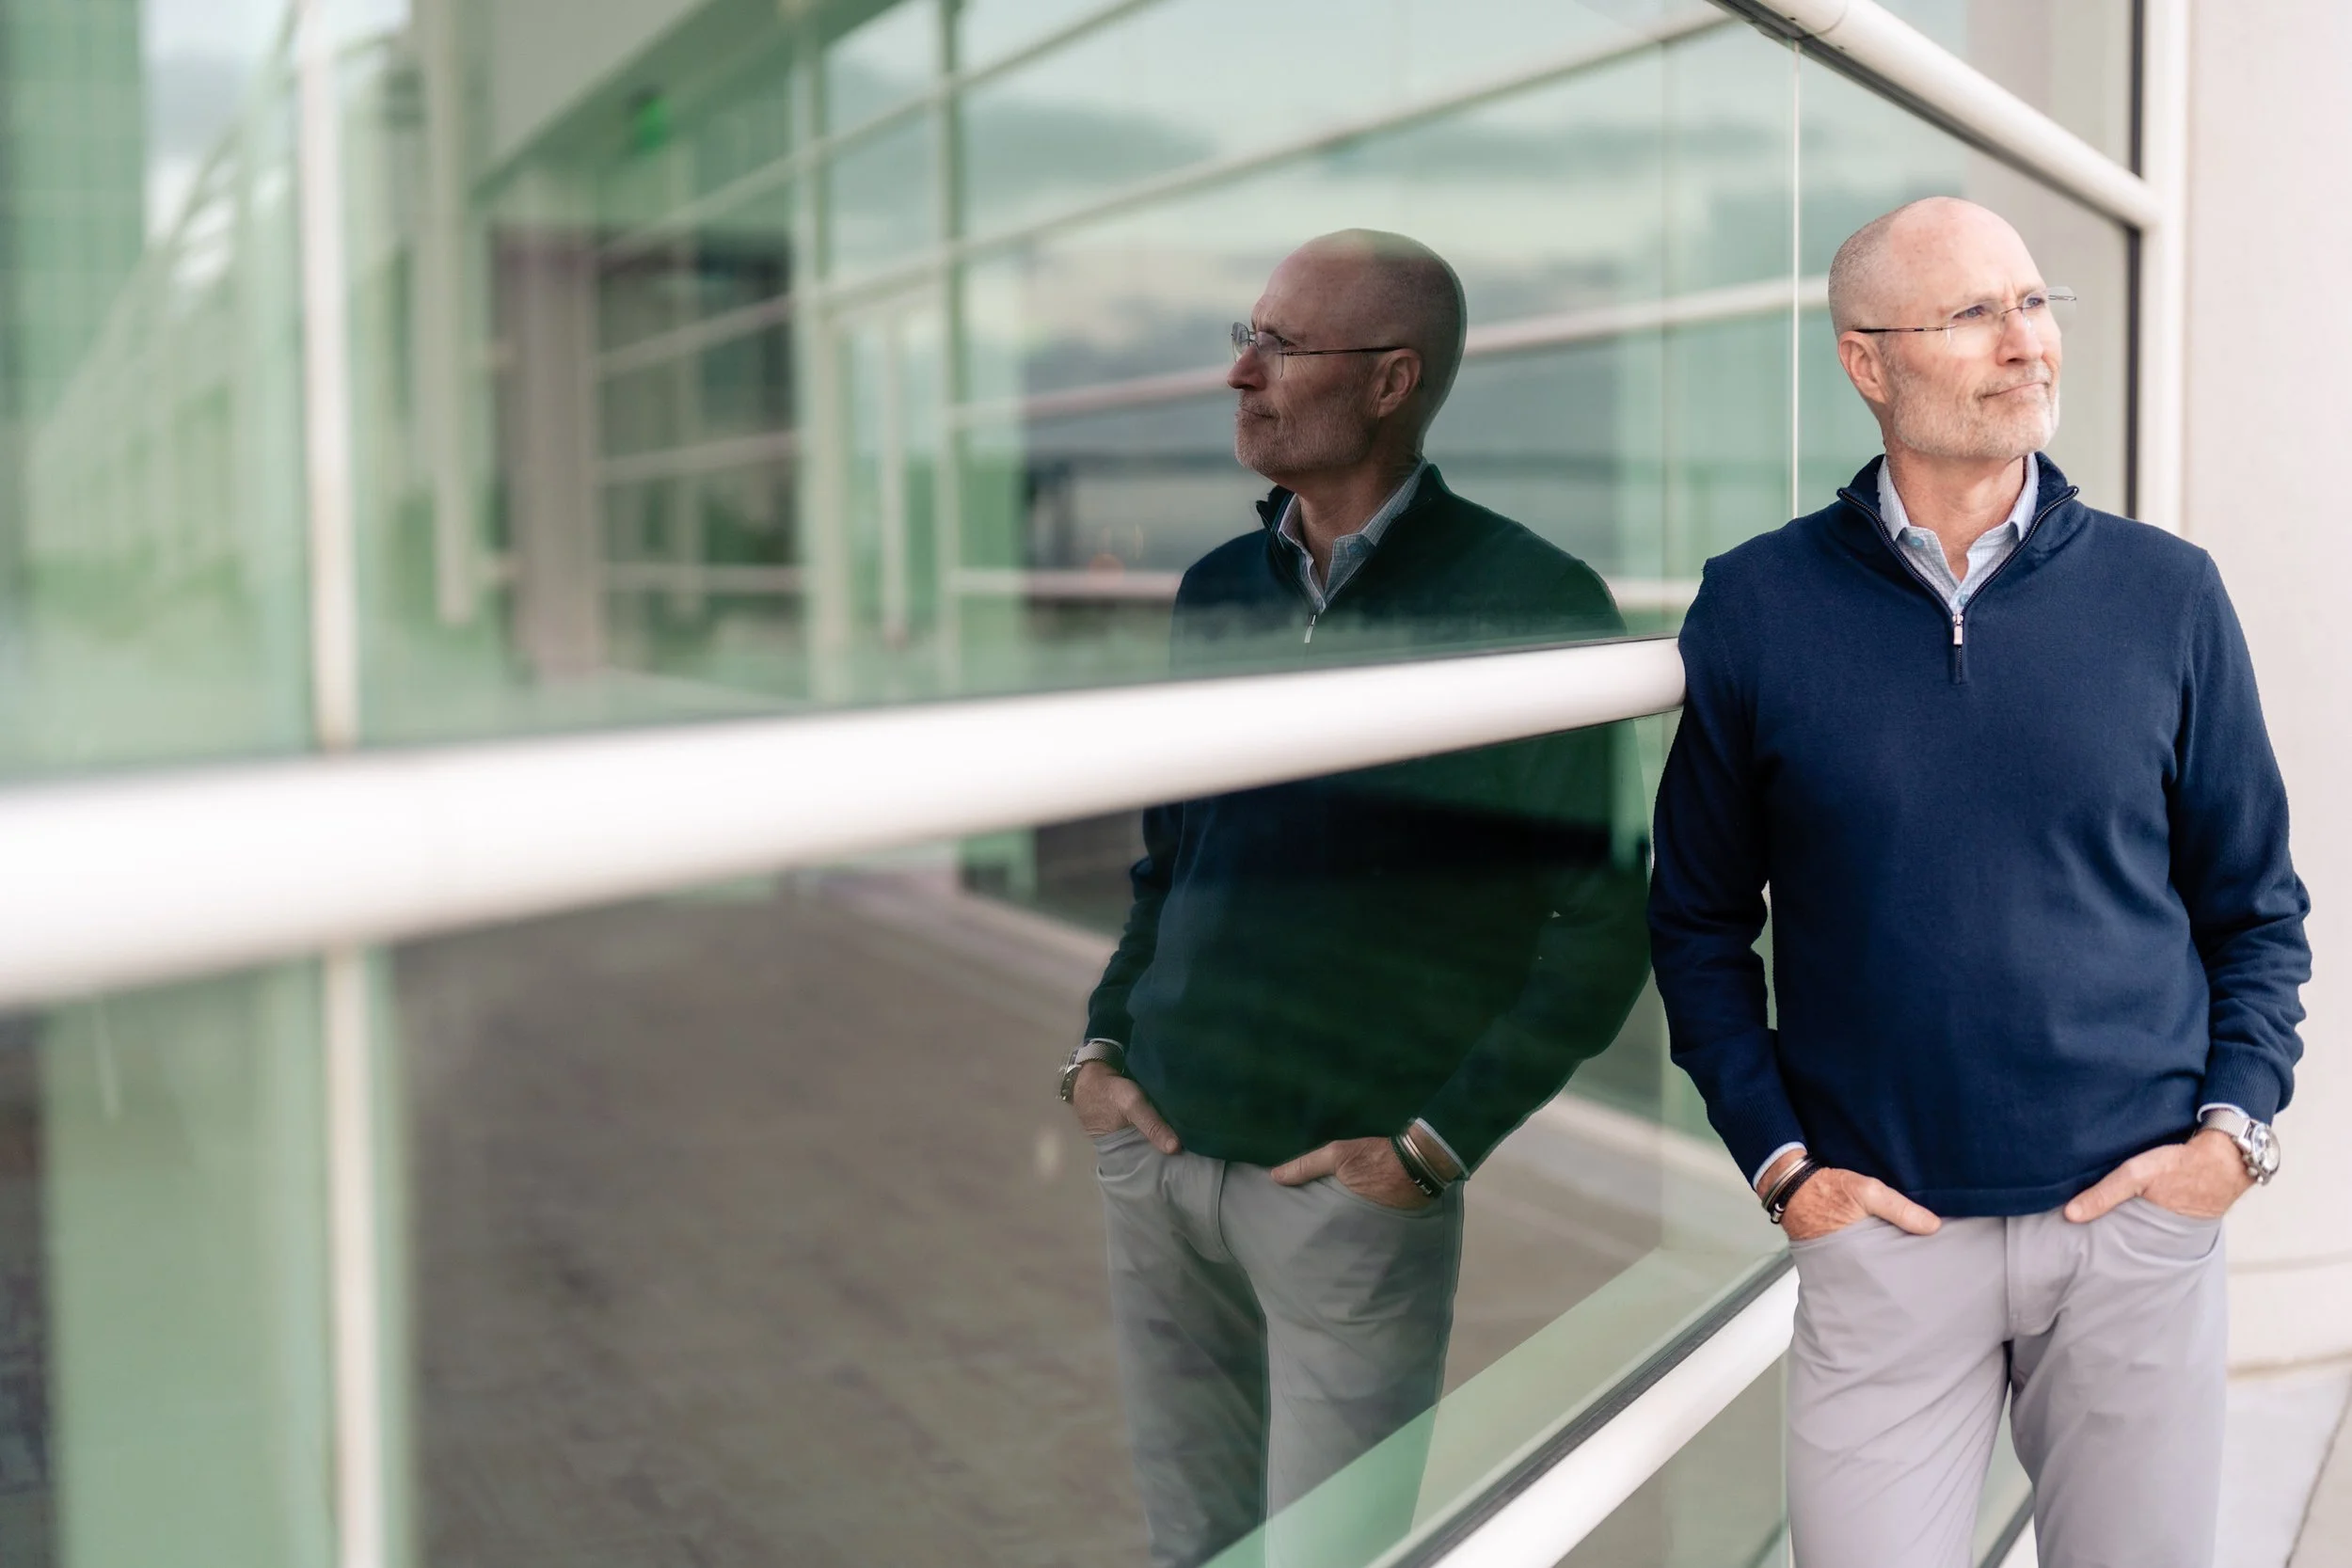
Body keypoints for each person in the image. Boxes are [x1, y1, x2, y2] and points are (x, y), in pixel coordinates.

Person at [1649, 197, 2312, 1568]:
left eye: (2033, 301)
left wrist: (2230, 1137)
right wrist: (1785, 1168)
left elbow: (2254, 905)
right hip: (1884, 1239)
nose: (2027, 343)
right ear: (1866, 364)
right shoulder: (1759, 606)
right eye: (1973, 313)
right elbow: (1700, 921)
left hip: (2132, 1224)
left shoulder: (2167, 594)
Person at [1057, 230, 1648, 1568]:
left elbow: (1602, 925)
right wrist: (1101, 1048)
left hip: (1347, 1191)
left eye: (1279, 346)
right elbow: (1172, 856)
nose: (1239, 373)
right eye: (1245, 334)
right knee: (1193, 1547)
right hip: (1156, 1156)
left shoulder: (1534, 603)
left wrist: (1436, 1143)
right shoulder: (1217, 588)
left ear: (1391, 381)